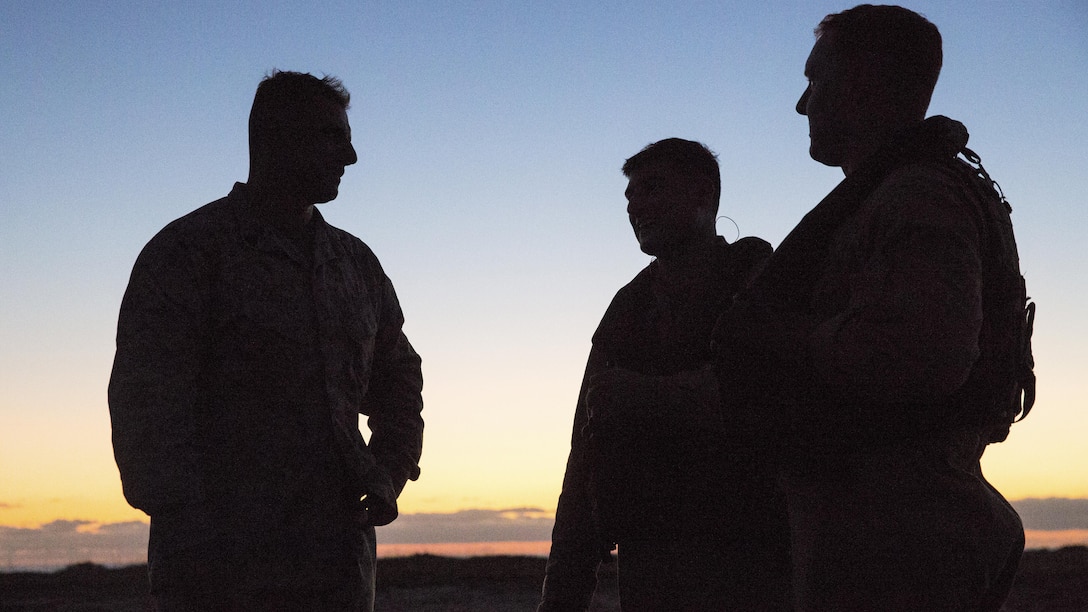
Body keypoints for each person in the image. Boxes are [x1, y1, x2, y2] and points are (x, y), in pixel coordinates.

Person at [713, 5, 1028, 610]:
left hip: (898, 537)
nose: (803, 105)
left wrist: (776, 340)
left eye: (816, 81)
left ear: (864, 84)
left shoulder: (917, 195)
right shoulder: (902, 193)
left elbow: (922, 355)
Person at [108, 70, 424, 611]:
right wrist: (200, 528)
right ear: (275, 137)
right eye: (333, 137)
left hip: (338, 571)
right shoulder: (189, 253)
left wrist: (391, 467)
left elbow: (398, 374)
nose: (350, 157)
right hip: (217, 577)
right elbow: (145, 408)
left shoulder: (355, 265)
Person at [539, 138, 791, 611]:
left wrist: (642, 396)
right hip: (651, 568)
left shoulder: (758, 280)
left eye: (652, 189)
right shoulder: (627, 309)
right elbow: (584, 460)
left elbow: (775, 398)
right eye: (630, 196)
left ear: (704, 196)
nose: (636, 206)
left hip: (755, 561)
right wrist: (559, 599)